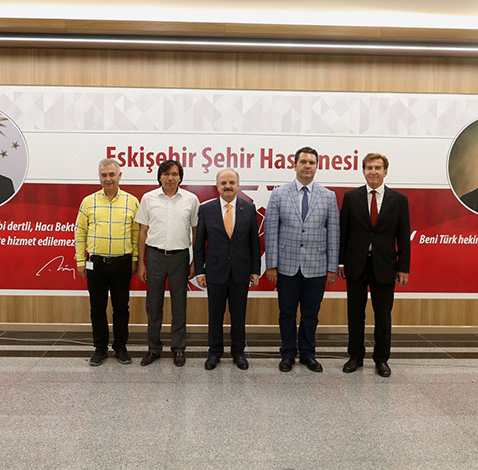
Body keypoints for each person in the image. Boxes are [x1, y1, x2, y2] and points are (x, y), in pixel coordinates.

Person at [264, 147, 339, 373]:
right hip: (286, 266)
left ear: (317, 167)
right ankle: (287, 353)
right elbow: (271, 231)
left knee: (310, 314)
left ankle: (308, 353)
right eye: (304, 162)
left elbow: (333, 233)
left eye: (312, 162)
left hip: (316, 266)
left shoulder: (328, 196)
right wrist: (272, 265)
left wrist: (332, 267)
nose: (307, 166)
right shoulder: (279, 194)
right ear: (295, 165)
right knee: (286, 312)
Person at [338, 153, 410, 378]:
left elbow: (403, 236)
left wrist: (403, 267)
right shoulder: (351, 198)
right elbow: (343, 232)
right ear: (363, 171)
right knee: (355, 314)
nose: (373, 171)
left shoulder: (399, 200)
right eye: (369, 167)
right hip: (355, 265)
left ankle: (381, 359)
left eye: (378, 168)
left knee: (383, 316)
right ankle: (355, 357)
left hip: (385, 266)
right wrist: (340, 262)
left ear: (385, 171)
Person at [194, 169, 261, 371]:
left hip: (241, 271)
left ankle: (238, 353)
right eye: (223, 183)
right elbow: (199, 244)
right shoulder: (206, 209)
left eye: (231, 182)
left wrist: (255, 270)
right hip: (215, 271)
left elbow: (254, 242)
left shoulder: (248, 208)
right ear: (217, 186)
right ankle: (214, 352)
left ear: (238, 185)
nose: (228, 186)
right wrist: (200, 271)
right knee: (215, 315)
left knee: (238, 316)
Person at [74, 158, 139, 367]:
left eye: (112, 174)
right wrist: (80, 261)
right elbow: (80, 232)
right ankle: (100, 348)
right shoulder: (88, 202)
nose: (108, 178)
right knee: (97, 308)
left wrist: (135, 259)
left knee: (121, 308)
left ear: (120, 176)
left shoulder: (132, 201)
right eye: (104, 175)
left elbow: (136, 233)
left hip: (123, 263)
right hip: (96, 264)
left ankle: (120, 347)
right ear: (99, 177)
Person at [136, 160, 200, 367]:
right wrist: (141, 263)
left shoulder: (191, 199)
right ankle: (153, 348)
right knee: (153, 305)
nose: (170, 178)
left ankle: (178, 348)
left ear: (180, 177)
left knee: (179, 305)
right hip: (155, 256)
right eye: (166, 174)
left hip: (180, 258)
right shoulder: (148, 198)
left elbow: (196, 233)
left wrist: (194, 262)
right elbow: (142, 232)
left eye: (174, 174)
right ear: (160, 177)